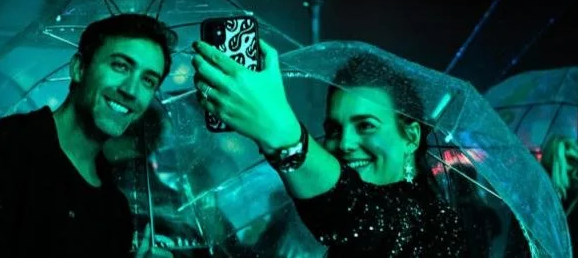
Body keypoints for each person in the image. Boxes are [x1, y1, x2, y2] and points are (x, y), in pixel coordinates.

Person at [192, 43, 469, 257]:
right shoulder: (304, 223)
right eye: (335, 129)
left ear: (410, 136)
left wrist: (279, 132)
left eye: (366, 126)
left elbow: (354, 211)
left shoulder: (434, 225)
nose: (346, 144)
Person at [0, 14, 177, 257]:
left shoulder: (114, 205)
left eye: (148, 80)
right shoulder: (7, 148)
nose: (131, 90)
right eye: (120, 66)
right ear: (79, 69)